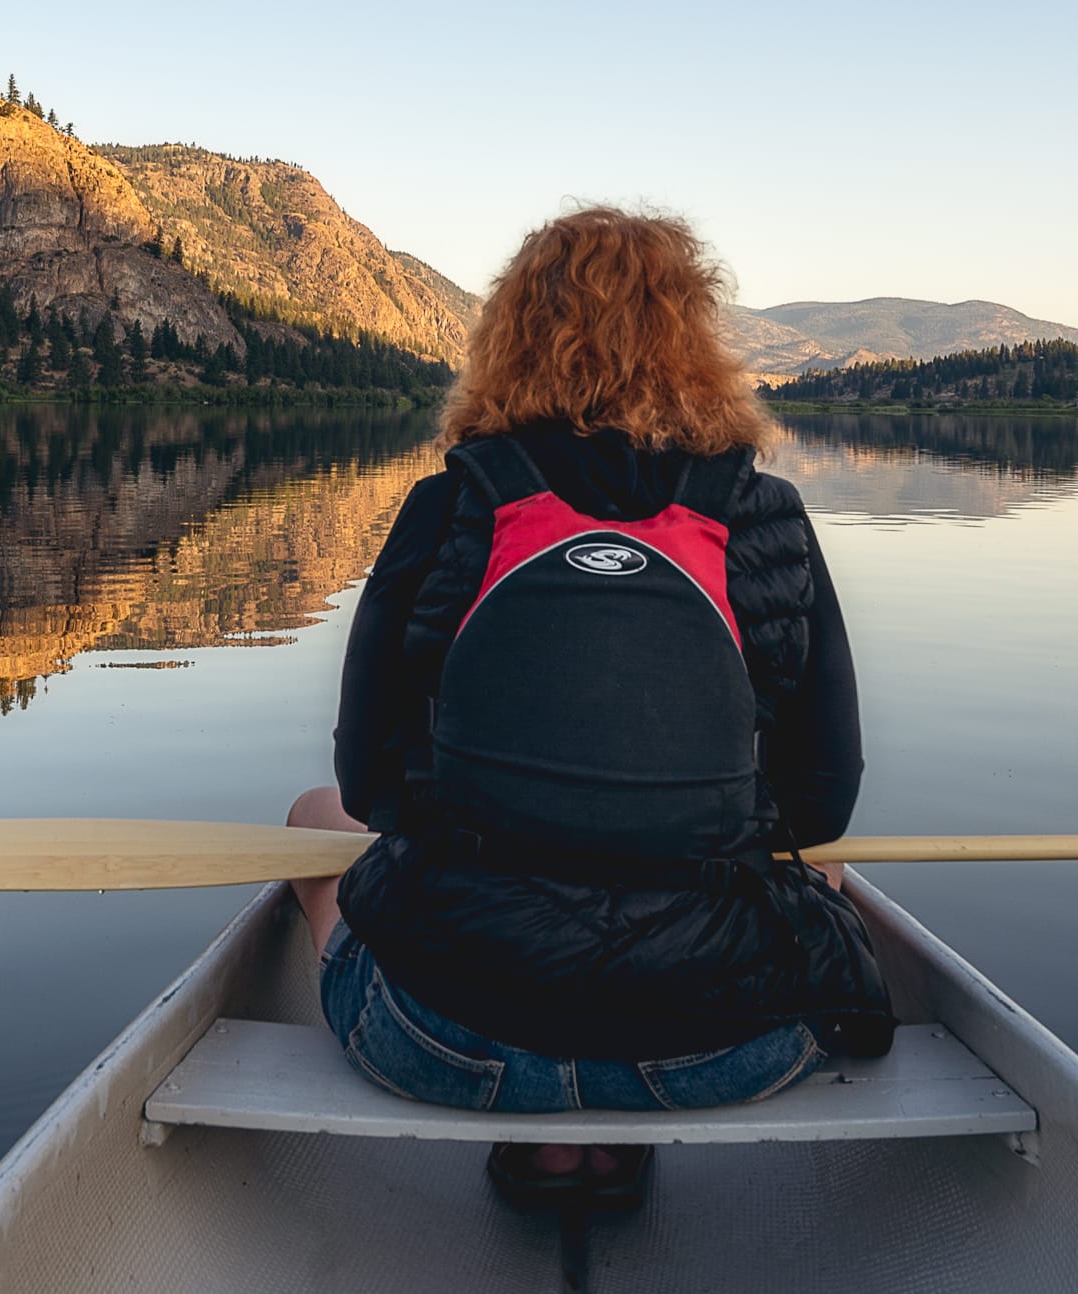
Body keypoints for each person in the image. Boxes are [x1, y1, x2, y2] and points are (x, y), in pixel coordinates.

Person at [287, 204, 892, 1207]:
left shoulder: (451, 507)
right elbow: (819, 807)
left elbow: (368, 785)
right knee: (823, 870)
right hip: (713, 1052)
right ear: (691, 337)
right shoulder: (761, 515)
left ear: (506, 338)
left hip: (445, 1041)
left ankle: (533, 1122)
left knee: (314, 814)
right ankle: (615, 1128)